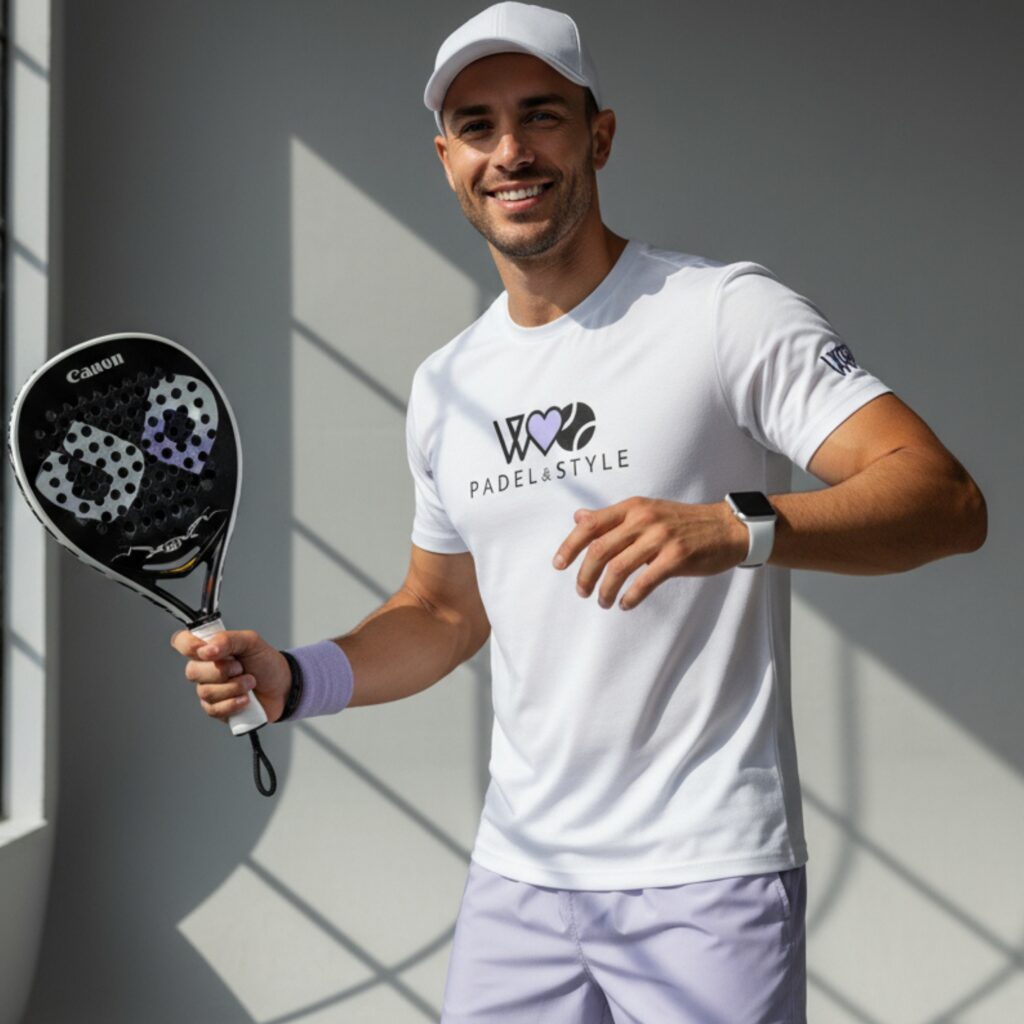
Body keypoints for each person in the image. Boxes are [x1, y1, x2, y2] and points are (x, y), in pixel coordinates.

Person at [172, 4, 987, 1020]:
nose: (510, 151)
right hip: (519, 879)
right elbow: (442, 613)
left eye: (541, 115)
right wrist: (295, 679)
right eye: (476, 126)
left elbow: (944, 499)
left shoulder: (721, 311)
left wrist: (734, 527)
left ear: (598, 136)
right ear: (446, 159)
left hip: (703, 875)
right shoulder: (447, 385)